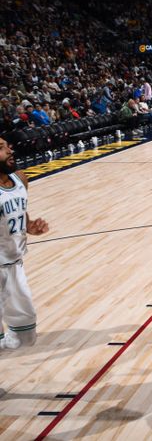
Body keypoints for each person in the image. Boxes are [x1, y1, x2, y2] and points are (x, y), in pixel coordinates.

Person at [0, 136, 49, 349]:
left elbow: (18, 210)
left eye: (7, 145)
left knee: (25, 337)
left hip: (15, 266)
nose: (10, 150)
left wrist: (29, 226)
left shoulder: (20, 179)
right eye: (1, 148)